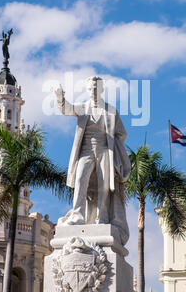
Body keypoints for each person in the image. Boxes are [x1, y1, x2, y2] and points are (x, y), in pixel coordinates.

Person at [55, 76, 130, 245]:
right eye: (90, 89)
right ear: (87, 90)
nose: (93, 91)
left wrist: (114, 144)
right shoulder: (82, 108)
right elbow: (67, 109)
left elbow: (122, 133)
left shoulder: (111, 111)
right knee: (81, 181)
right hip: (86, 151)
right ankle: (78, 215)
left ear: (101, 89)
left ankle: (101, 217)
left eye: (96, 89)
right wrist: (60, 98)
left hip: (105, 150)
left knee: (104, 186)